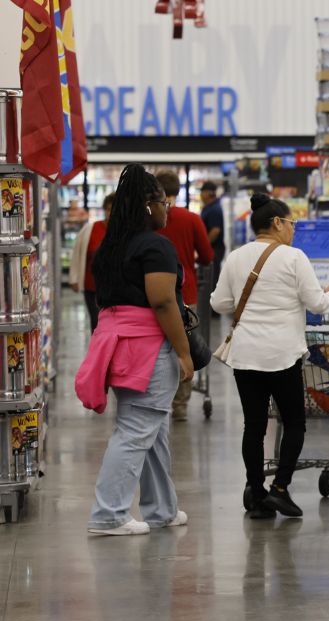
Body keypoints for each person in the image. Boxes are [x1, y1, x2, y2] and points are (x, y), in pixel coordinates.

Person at [211, 193, 329, 519]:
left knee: (253, 427)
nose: (294, 230)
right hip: (283, 354)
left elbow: (219, 303)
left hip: (245, 355)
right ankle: (280, 489)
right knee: (294, 423)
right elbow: (317, 304)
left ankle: (256, 496)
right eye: (292, 223)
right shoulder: (294, 257)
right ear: (277, 223)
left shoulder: (236, 257)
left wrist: (248, 308)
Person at [75, 164, 190, 536]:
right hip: (147, 347)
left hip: (116, 344)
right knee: (136, 429)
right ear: (147, 205)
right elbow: (162, 302)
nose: (167, 208)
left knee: (153, 430)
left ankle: (162, 510)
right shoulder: (155, 246)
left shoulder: (110, 245)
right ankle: (108, 514)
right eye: (162, 202)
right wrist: (184, 352)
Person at [154, 170, 214, 422]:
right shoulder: (191, 219)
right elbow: (208, 256)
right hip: (185, 294)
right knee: (183, 346)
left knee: (156, 346)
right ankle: (180, 405)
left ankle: (156, 399)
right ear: (178, 190)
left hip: (151, 293)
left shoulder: (149, 219)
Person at [68, 193, 115, 331]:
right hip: (92, 287)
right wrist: (74, 278)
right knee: (96, 322)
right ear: (104, 210)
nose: (111, 213)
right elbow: (77, 254)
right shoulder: (90, 229)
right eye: (108, 209)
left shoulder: (125, 232)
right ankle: (98, 350)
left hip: (116, 289)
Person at [199, 181, 225, 290]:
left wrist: (204, 246)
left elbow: (215, 231)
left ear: (208, 193)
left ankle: (210, 305)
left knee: (211, 280)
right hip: (212, 249)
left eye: (202, 192)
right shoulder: (209, 207)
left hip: (214, 249)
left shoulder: (214, 209)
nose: (200, 195)